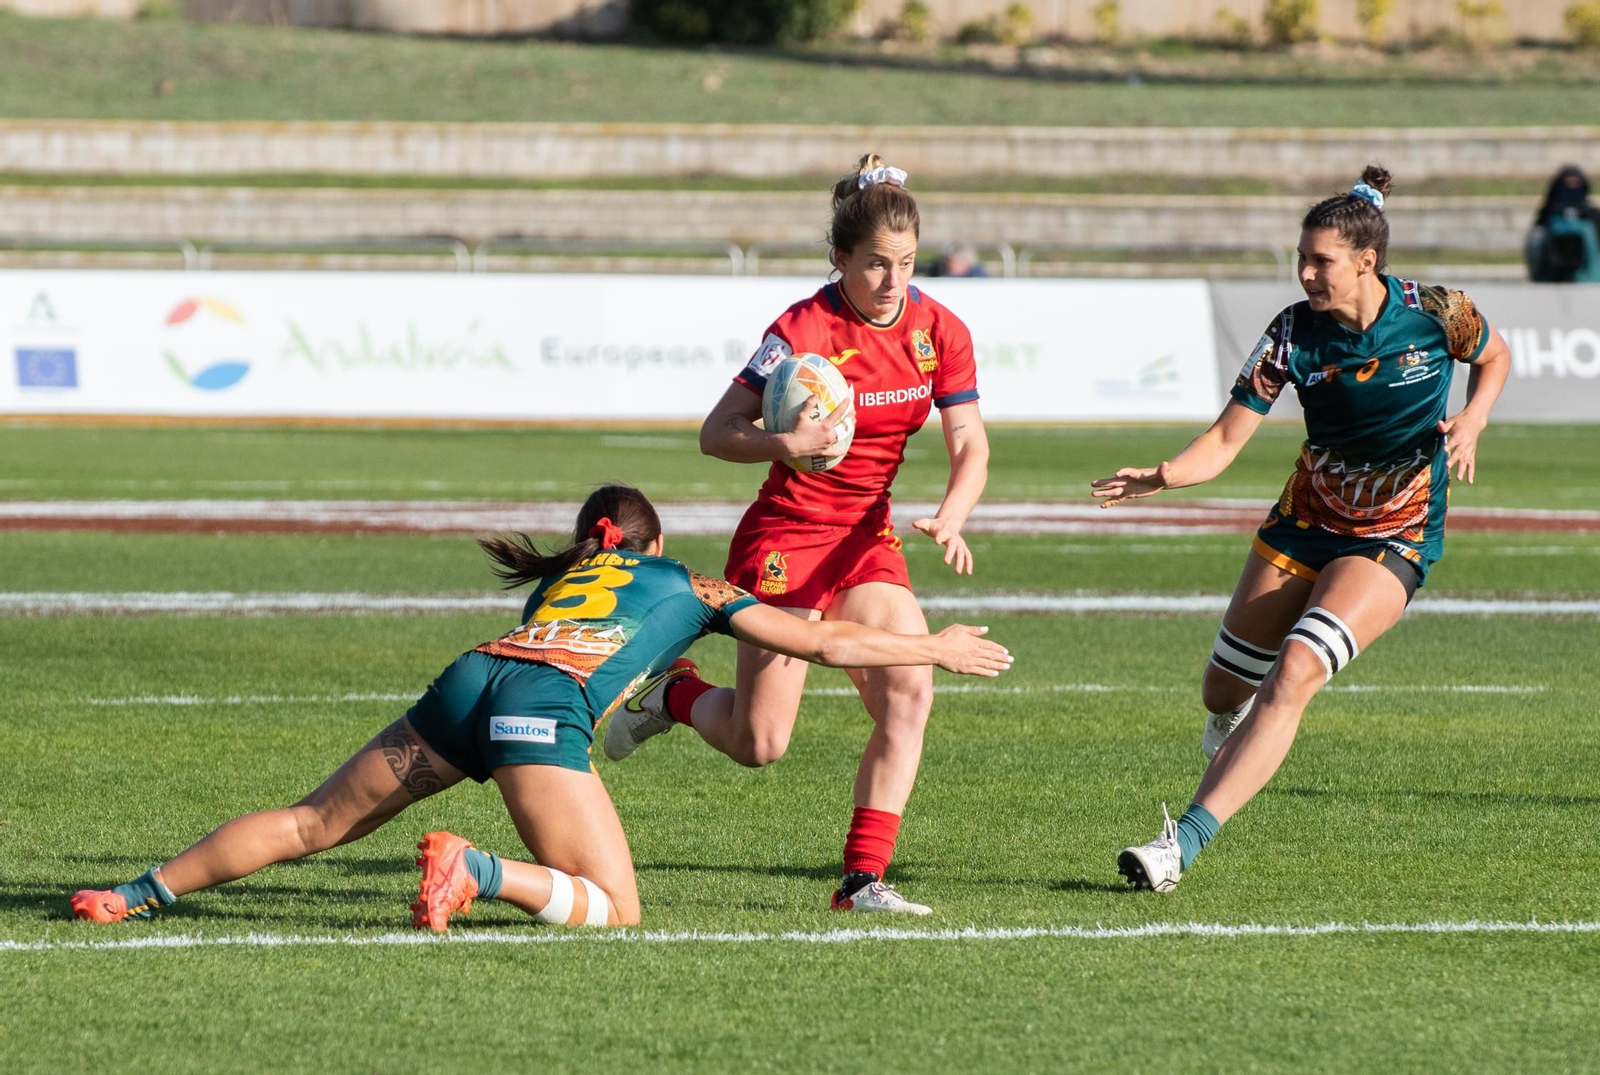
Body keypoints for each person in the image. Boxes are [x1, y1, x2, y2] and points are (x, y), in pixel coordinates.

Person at [70, 484, 1012, 928]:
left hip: (472, 675)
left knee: (314, 821)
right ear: (653, 541)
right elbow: (826, 640)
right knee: (619, 907)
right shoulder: (689, 583)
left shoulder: (551, 587)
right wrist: (933, 646)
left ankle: (135, 892)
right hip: (537, 707)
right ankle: (478, 870)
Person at [1092, 166, 1511, 892]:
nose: (1307, 272)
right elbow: (1225, 442)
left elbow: (1495, 355)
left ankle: (1178, 846)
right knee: (1223, 691)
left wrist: (1472, 418)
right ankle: (1237, 725)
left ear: (1365, 261)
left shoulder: (1438, 309)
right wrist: (1165, 473)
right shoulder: (1291, 332)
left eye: (1320, 260)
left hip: (1395, 534)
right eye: (1302, 258)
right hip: (1304, 522)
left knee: (1295, 671)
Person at [603, 154, 989, 915]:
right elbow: (717, 432)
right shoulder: (802, 329)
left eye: (906, 263)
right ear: (840, 258)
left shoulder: (940, 330)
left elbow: (971, 441)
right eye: (876, 264)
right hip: (786, 535)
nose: (893, 281)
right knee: (762, 742)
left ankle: (862, 881)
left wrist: (955, 509)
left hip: (867, 541)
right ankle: (675, 695)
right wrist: (788, 446)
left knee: (911, 689)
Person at [1524, 165, 1600, 283]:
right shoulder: (1550, 209)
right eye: (1568, 182)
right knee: (1536, 236)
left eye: (1575, 182)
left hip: (1586, 262)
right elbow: (1539, 224)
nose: (1572, 186)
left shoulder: (1591, 213)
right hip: (1553, 255)